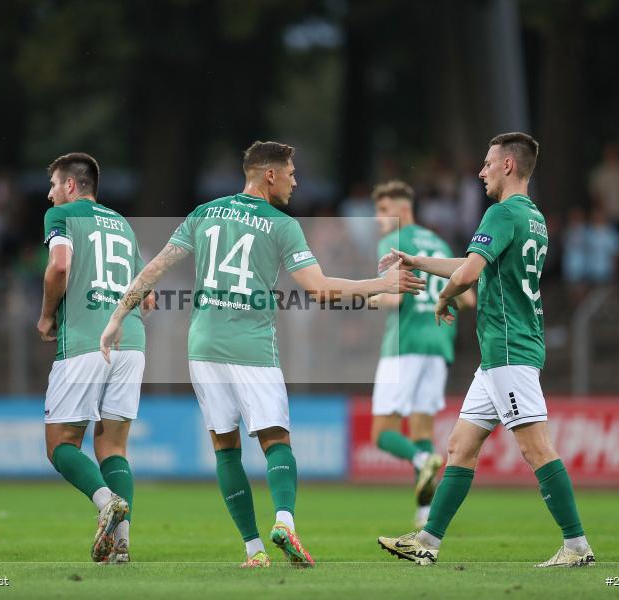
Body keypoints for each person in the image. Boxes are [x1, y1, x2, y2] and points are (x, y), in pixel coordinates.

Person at [101, 141, 425, 568]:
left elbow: (155, 268)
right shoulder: (281, 224)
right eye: (291, 172)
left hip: (203, 346)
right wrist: (381, 285)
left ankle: (253, 550)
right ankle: (285, 523)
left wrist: (117, 316)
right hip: (252, 346)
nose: (296, 181)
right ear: (269, 174)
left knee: (225, 447)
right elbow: (320, 288)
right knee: (276, 442)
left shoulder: (205, 213)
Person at [377, 132, 595, 568]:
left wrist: (443, 297)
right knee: (459, 446)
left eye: (487, 163)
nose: (481, 171)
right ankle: (428, 541)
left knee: (536, 449)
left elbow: (469, 273)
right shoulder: (532, 217)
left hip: (509, 350)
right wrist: (419, 263)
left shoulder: (501, 212)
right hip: (502, 351)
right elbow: (470, 264)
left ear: (508, 166)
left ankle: (576, 546)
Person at [37, 152, 151, 564]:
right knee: (114, 448)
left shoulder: (62, 217)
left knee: (61, 445)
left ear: (71, 185)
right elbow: (149, 292)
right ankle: (122, 544)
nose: (49, 194)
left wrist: (48, 315)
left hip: (86, 341)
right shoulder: (121, 224)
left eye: (53, 185)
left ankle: (105, 501)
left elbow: (59, 267)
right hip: (130, 341)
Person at [368, 180, 474, 529]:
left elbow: (394, 297)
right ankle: (425, 513)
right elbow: (467, 298)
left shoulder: (393, 241)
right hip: (439, 344)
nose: (379, 219)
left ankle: (421, 458)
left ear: (403, 209)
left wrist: (370, 296)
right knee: (422, 427)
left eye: (383, 211)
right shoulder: (440, 244)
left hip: (404, 345)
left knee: (383, 433)